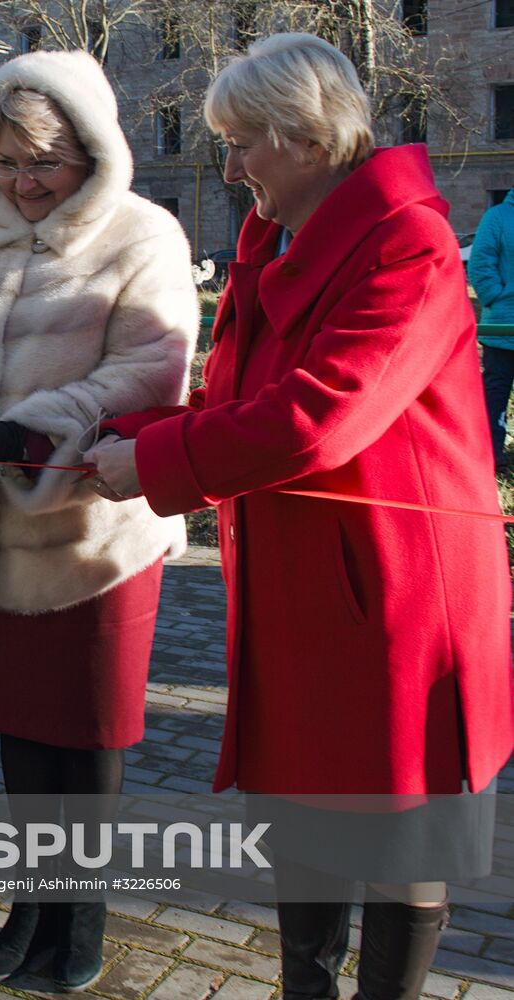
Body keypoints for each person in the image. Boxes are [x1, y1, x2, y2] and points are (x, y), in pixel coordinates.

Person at [86, 33, 514, 1000]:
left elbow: (321, 417)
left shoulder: (411, 243)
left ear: (312, 140)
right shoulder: (275, 240)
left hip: (396, 596)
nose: (227, 165)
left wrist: (155, 462)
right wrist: (123, 432)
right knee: (303, 811)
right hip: (300, 583)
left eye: (244, 142)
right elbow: (238, 401)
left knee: (405, 829)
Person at [0, 51, 197, 985]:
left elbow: (152, 371)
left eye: (46, 164)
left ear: (92, 155)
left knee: (86, 734)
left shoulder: (143, 235)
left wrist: (29, 431)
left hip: (92, 536)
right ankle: (32, 903)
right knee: (18, 728)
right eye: (8, 160)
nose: (23, 183)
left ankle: (82, 923)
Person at [468, 189, 514, 468]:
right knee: (496, 393)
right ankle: (491, 454)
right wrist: (497, 296)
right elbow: (480, 262)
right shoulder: (496, 217)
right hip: (503, 324)